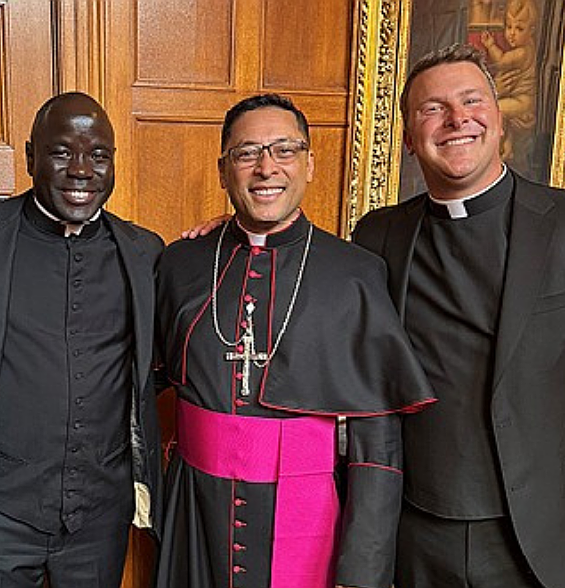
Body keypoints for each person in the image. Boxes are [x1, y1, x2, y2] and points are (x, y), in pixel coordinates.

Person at [352, 44, 565, 588]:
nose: (457, 118)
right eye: (432, 108)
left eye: (471, 101)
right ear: (410, 140)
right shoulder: (378, 235)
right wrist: (232, 233)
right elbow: (315, 282)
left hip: (554, 526)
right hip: (420, 529)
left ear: (500, 120)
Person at [154, 93, 435, 588]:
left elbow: (378, 444)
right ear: (224, 170)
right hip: (193, 511)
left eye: (285, 150)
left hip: (305, 515)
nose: (267, 168)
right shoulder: (181, 263)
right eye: (247, 153)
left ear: (310, 165)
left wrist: (363, 570)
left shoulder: (354, 274)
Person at [0, 92, 163, 588]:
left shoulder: (146, 253)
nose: (81, 170)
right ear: (32, 155)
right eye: (61, 152)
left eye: (98, 155)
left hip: (101, 513)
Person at [481, 0, 537, 166]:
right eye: (509, 27)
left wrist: (490, 45)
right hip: (518, 98)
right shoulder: (523, 48)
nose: (511, 33)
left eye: (519, 28)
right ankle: (507, 144)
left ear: (532, 31)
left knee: (496, 108)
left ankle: (505, 146)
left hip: (522, 102)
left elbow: (501, 61)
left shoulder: (522, 52)